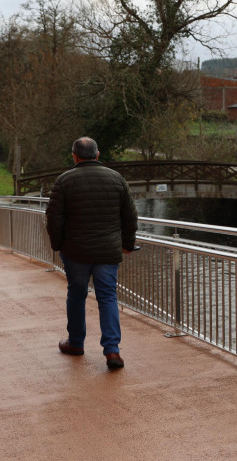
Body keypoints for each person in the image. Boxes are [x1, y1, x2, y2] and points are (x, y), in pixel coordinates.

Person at [45, 137, 138, 370]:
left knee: (76, 295)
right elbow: (130, 217)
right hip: (108, 251)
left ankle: (76, 343)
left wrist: (58, 245)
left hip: (75, 251)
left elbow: (54, 218)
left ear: (74, 156)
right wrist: (127, 244)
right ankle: (112, 351)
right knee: (107, 297)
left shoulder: (64, 181)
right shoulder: (117, 179)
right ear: (97, 155)